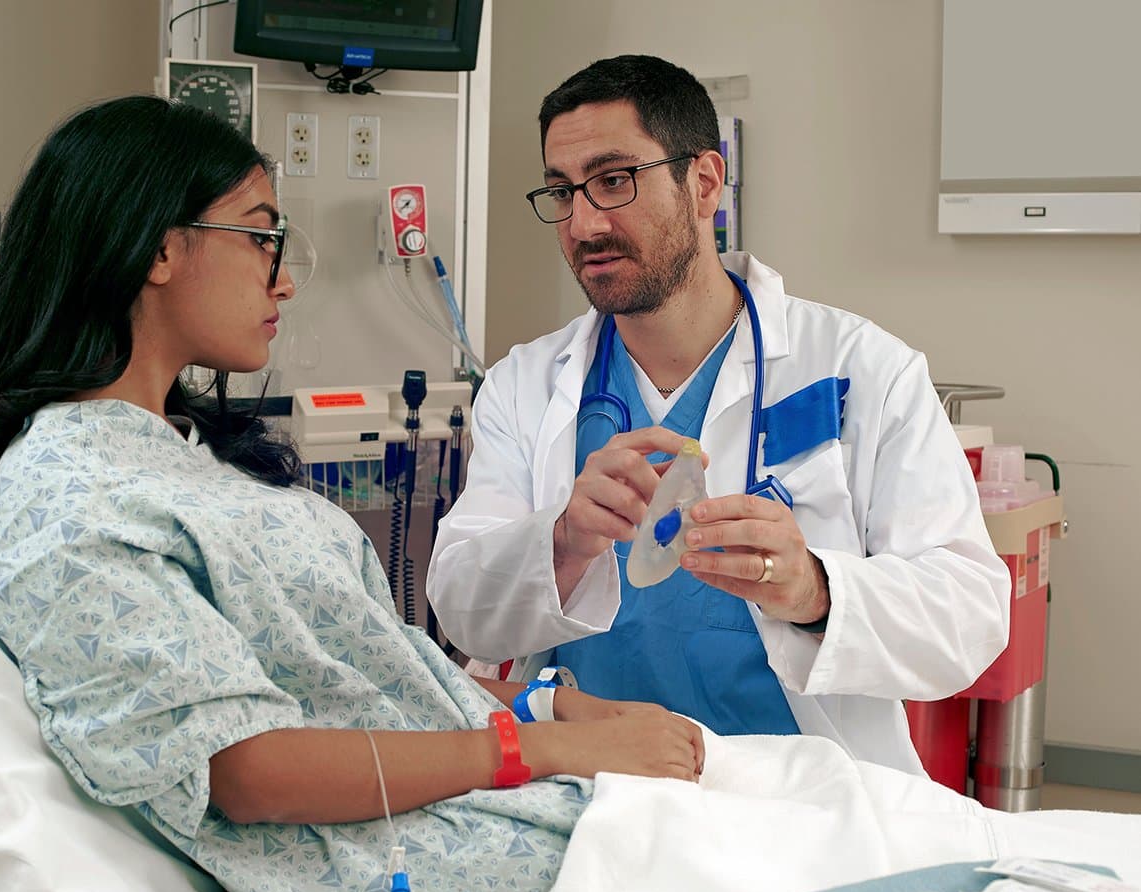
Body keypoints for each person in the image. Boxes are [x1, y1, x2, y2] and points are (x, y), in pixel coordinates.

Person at [0, 95, 703, 892]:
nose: (283, 280)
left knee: (818, 798)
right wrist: (538, 748)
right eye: (262, 236)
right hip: (445, 854)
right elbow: (246, 768)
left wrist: (558, 707)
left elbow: (374, 673)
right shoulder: (67, 501)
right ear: (159, 248)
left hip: (505, 800)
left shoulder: (184, 457)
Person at [426, 55, 1011, 774]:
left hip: (797, 791)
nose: (582, 223)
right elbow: (457, 604)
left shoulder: (864, 367)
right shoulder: (525, 385)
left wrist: (815, 588)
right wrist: (563, 540)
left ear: (703, 182)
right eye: (561, 191)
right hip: (588, 780)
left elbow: (971, 616)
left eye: (613, 181)